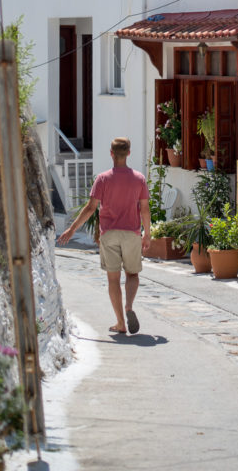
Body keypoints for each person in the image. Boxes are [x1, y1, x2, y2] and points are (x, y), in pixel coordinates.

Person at [58, 137, 151, 335]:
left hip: (109, 235)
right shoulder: (139, 179)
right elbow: (145, 210)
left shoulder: (102, 179)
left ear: (111, 154)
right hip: (132, 233)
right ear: (128, 153)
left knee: (113, 279)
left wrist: (72, 229)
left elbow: (91, 207)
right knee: (132, 274)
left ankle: (120, 323)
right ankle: (129, 307)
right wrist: (147, 234)